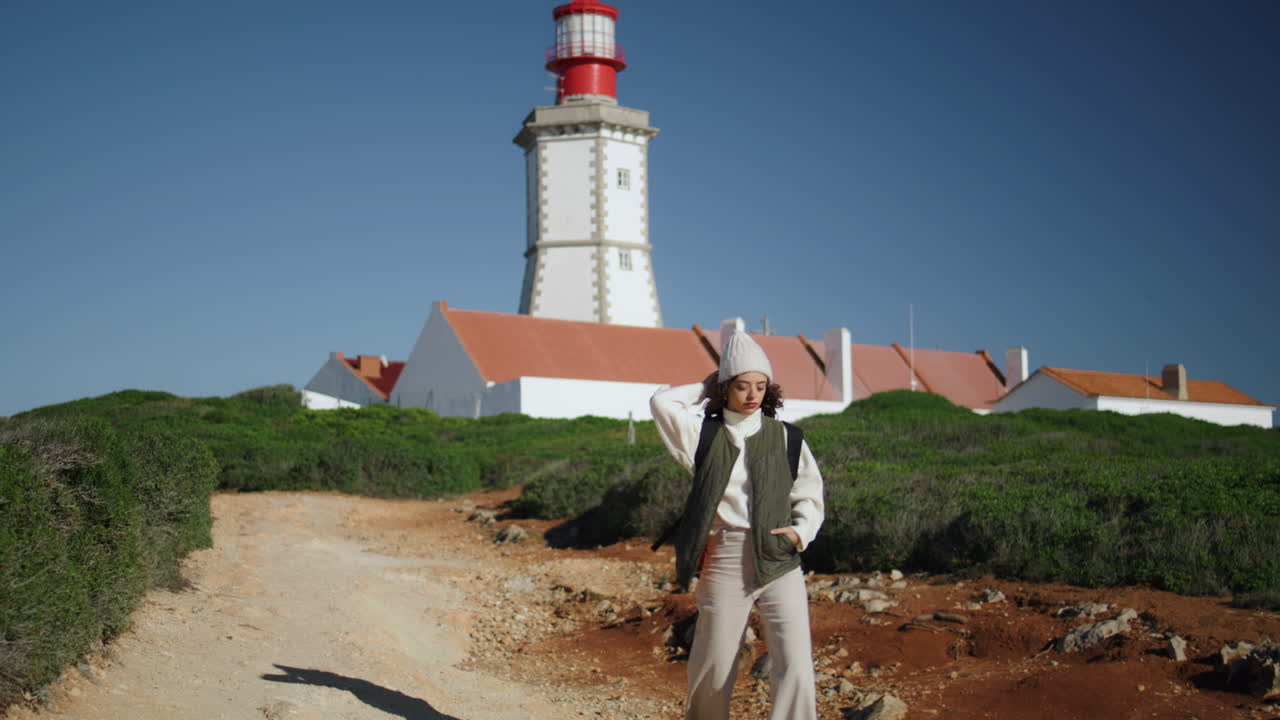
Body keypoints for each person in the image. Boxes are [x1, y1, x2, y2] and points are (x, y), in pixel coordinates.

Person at [650, 331, 824, 720]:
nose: (752, 394)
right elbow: (661, 402)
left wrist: (800, 532)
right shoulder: (702, 435)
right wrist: (706, 384)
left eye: (760, 385)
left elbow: (810, 494)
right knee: (714, 664)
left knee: (795, 661)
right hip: (726, 554)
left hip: (780, 557)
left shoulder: (787, 437)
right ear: (726, 387)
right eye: (742, 385)